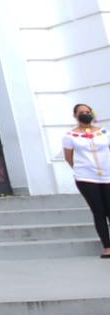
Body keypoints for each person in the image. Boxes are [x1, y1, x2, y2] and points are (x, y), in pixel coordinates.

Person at [61, 102, 110, 257]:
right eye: (81, 112)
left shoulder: (103, 132)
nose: (85, 114)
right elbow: (69, 157)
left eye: (88, 112)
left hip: (108, 175)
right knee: (99, 211)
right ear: (75, 115)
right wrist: (80, 169)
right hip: (86, 178)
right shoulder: (70, 136)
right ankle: (107, 246)